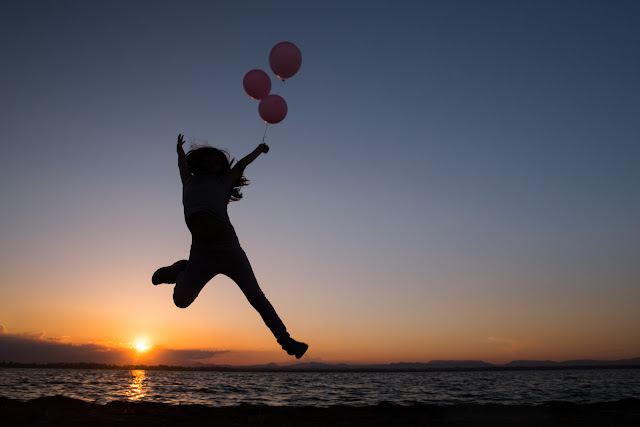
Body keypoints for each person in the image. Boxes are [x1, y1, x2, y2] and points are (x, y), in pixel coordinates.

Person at [152, 134, 308, 359]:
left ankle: (286, 340)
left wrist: (258, 149)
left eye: (218, 163)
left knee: (256, 297)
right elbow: (182, 165)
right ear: (201, 162)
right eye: (211, 160)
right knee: (181, 301)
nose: (214, 165)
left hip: (229, 250)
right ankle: (179, 272)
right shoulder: (189, 180)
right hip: (201, 253)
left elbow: (242, 164)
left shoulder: (224, 182)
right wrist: (179, 151)